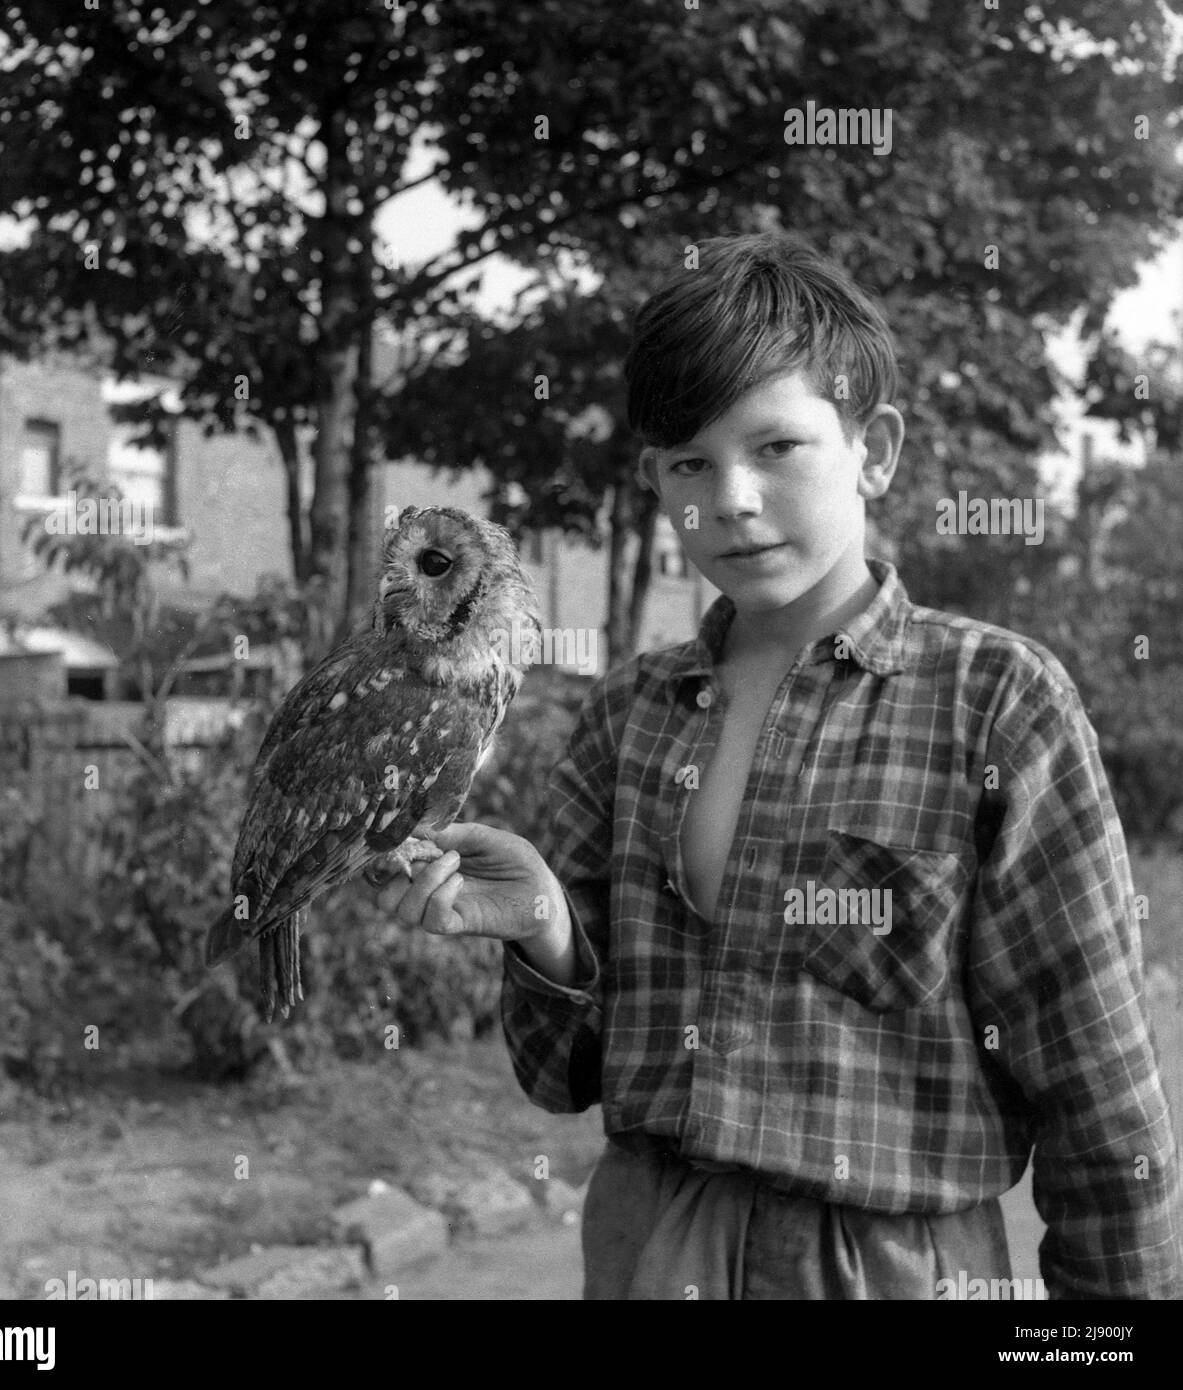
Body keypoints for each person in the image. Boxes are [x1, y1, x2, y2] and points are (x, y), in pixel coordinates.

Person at [371, 232, 1182, 1300]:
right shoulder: (626, 713)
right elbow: (561, 1074)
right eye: (688, 463)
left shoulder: (995, 704)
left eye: (777, 448)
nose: (732, 499)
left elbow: (1098, 1091)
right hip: (644, 1248)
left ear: (874, 448)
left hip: (892, 1267)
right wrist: (551, 938)